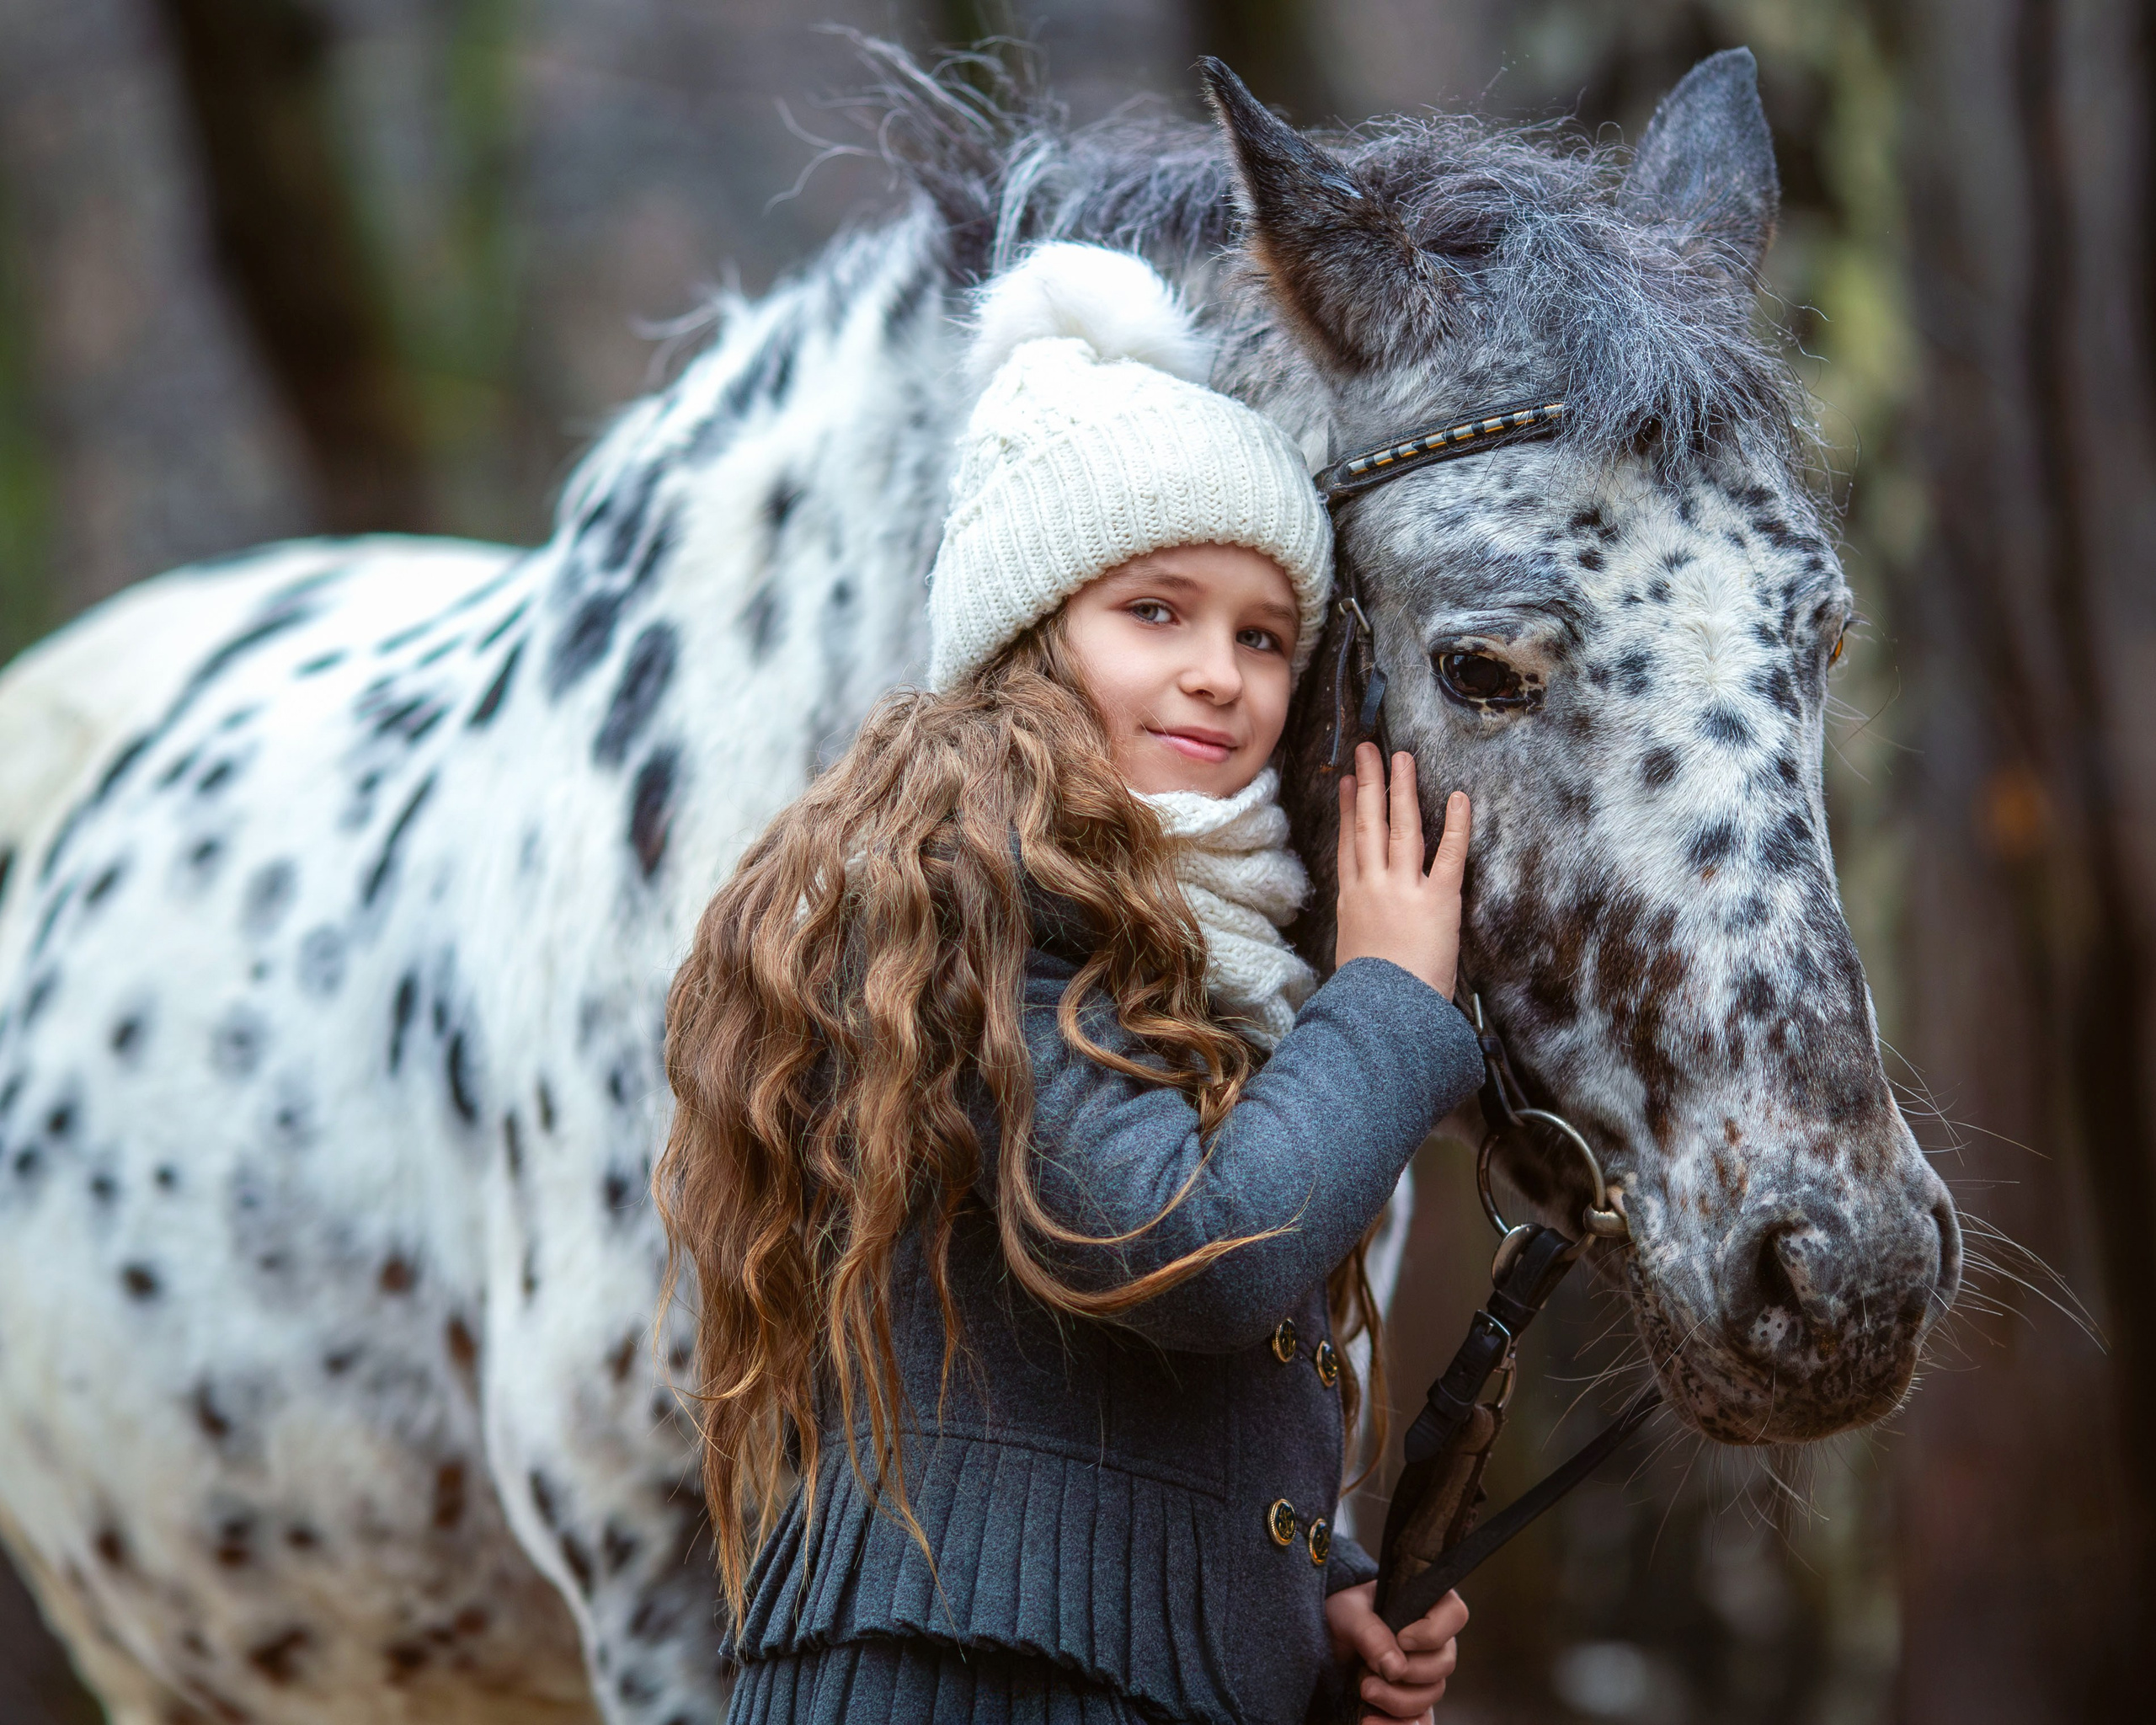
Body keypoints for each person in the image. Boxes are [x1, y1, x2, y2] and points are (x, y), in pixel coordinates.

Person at [659, 243, 1486, 1725]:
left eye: (1264, 635)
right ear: (1031, 630)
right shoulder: (972, 888)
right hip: (958, 1683)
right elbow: (1190, 1248)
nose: (1221, 674)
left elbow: (1097, 1396)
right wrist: (1391, 1003)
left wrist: (1313, 1582)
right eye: (1155, 611)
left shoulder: (1205, 916)